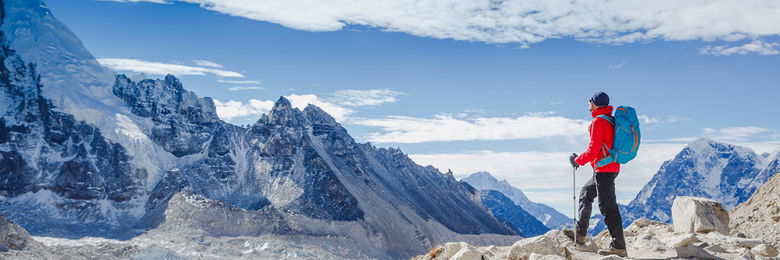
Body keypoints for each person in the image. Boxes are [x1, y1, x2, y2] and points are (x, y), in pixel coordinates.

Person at [564, 91, 627, 257]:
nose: (588, 102)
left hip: (604, 170)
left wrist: (578, 160)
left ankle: (619, 246)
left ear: (595, 103)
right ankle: (581, 233)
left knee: (608, 207)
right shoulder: (610, 120)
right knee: (586, 193)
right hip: (609, 168)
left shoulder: (599, 121)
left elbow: (593, 149)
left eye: (590, 100)